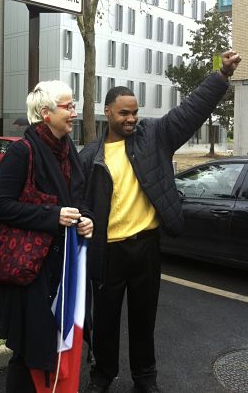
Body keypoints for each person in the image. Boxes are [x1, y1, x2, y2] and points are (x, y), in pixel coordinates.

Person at [79, 51, 242, 393]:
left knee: (143, 321)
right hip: (107, 253)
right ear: (107, 112)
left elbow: (190, 111)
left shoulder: (154, 136)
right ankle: (102, 377)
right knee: (105, 322)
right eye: (124, 113)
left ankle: (145, 379)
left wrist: (221, 76)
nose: (131, 119)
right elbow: (80, 205)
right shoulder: (89, 157)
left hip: (147, 248)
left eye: (135, 112)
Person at [0, 80, 94, 392]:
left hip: (62, 270)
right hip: (31, 274)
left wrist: (87, 219)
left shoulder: (68, 151)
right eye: (68, 106)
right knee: (29, 352)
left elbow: (79, 200)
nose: (74, 112)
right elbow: (0, 206)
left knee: (54, 346)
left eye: (74, 105)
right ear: (45, 113)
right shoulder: (22, 151)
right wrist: (53, 216)